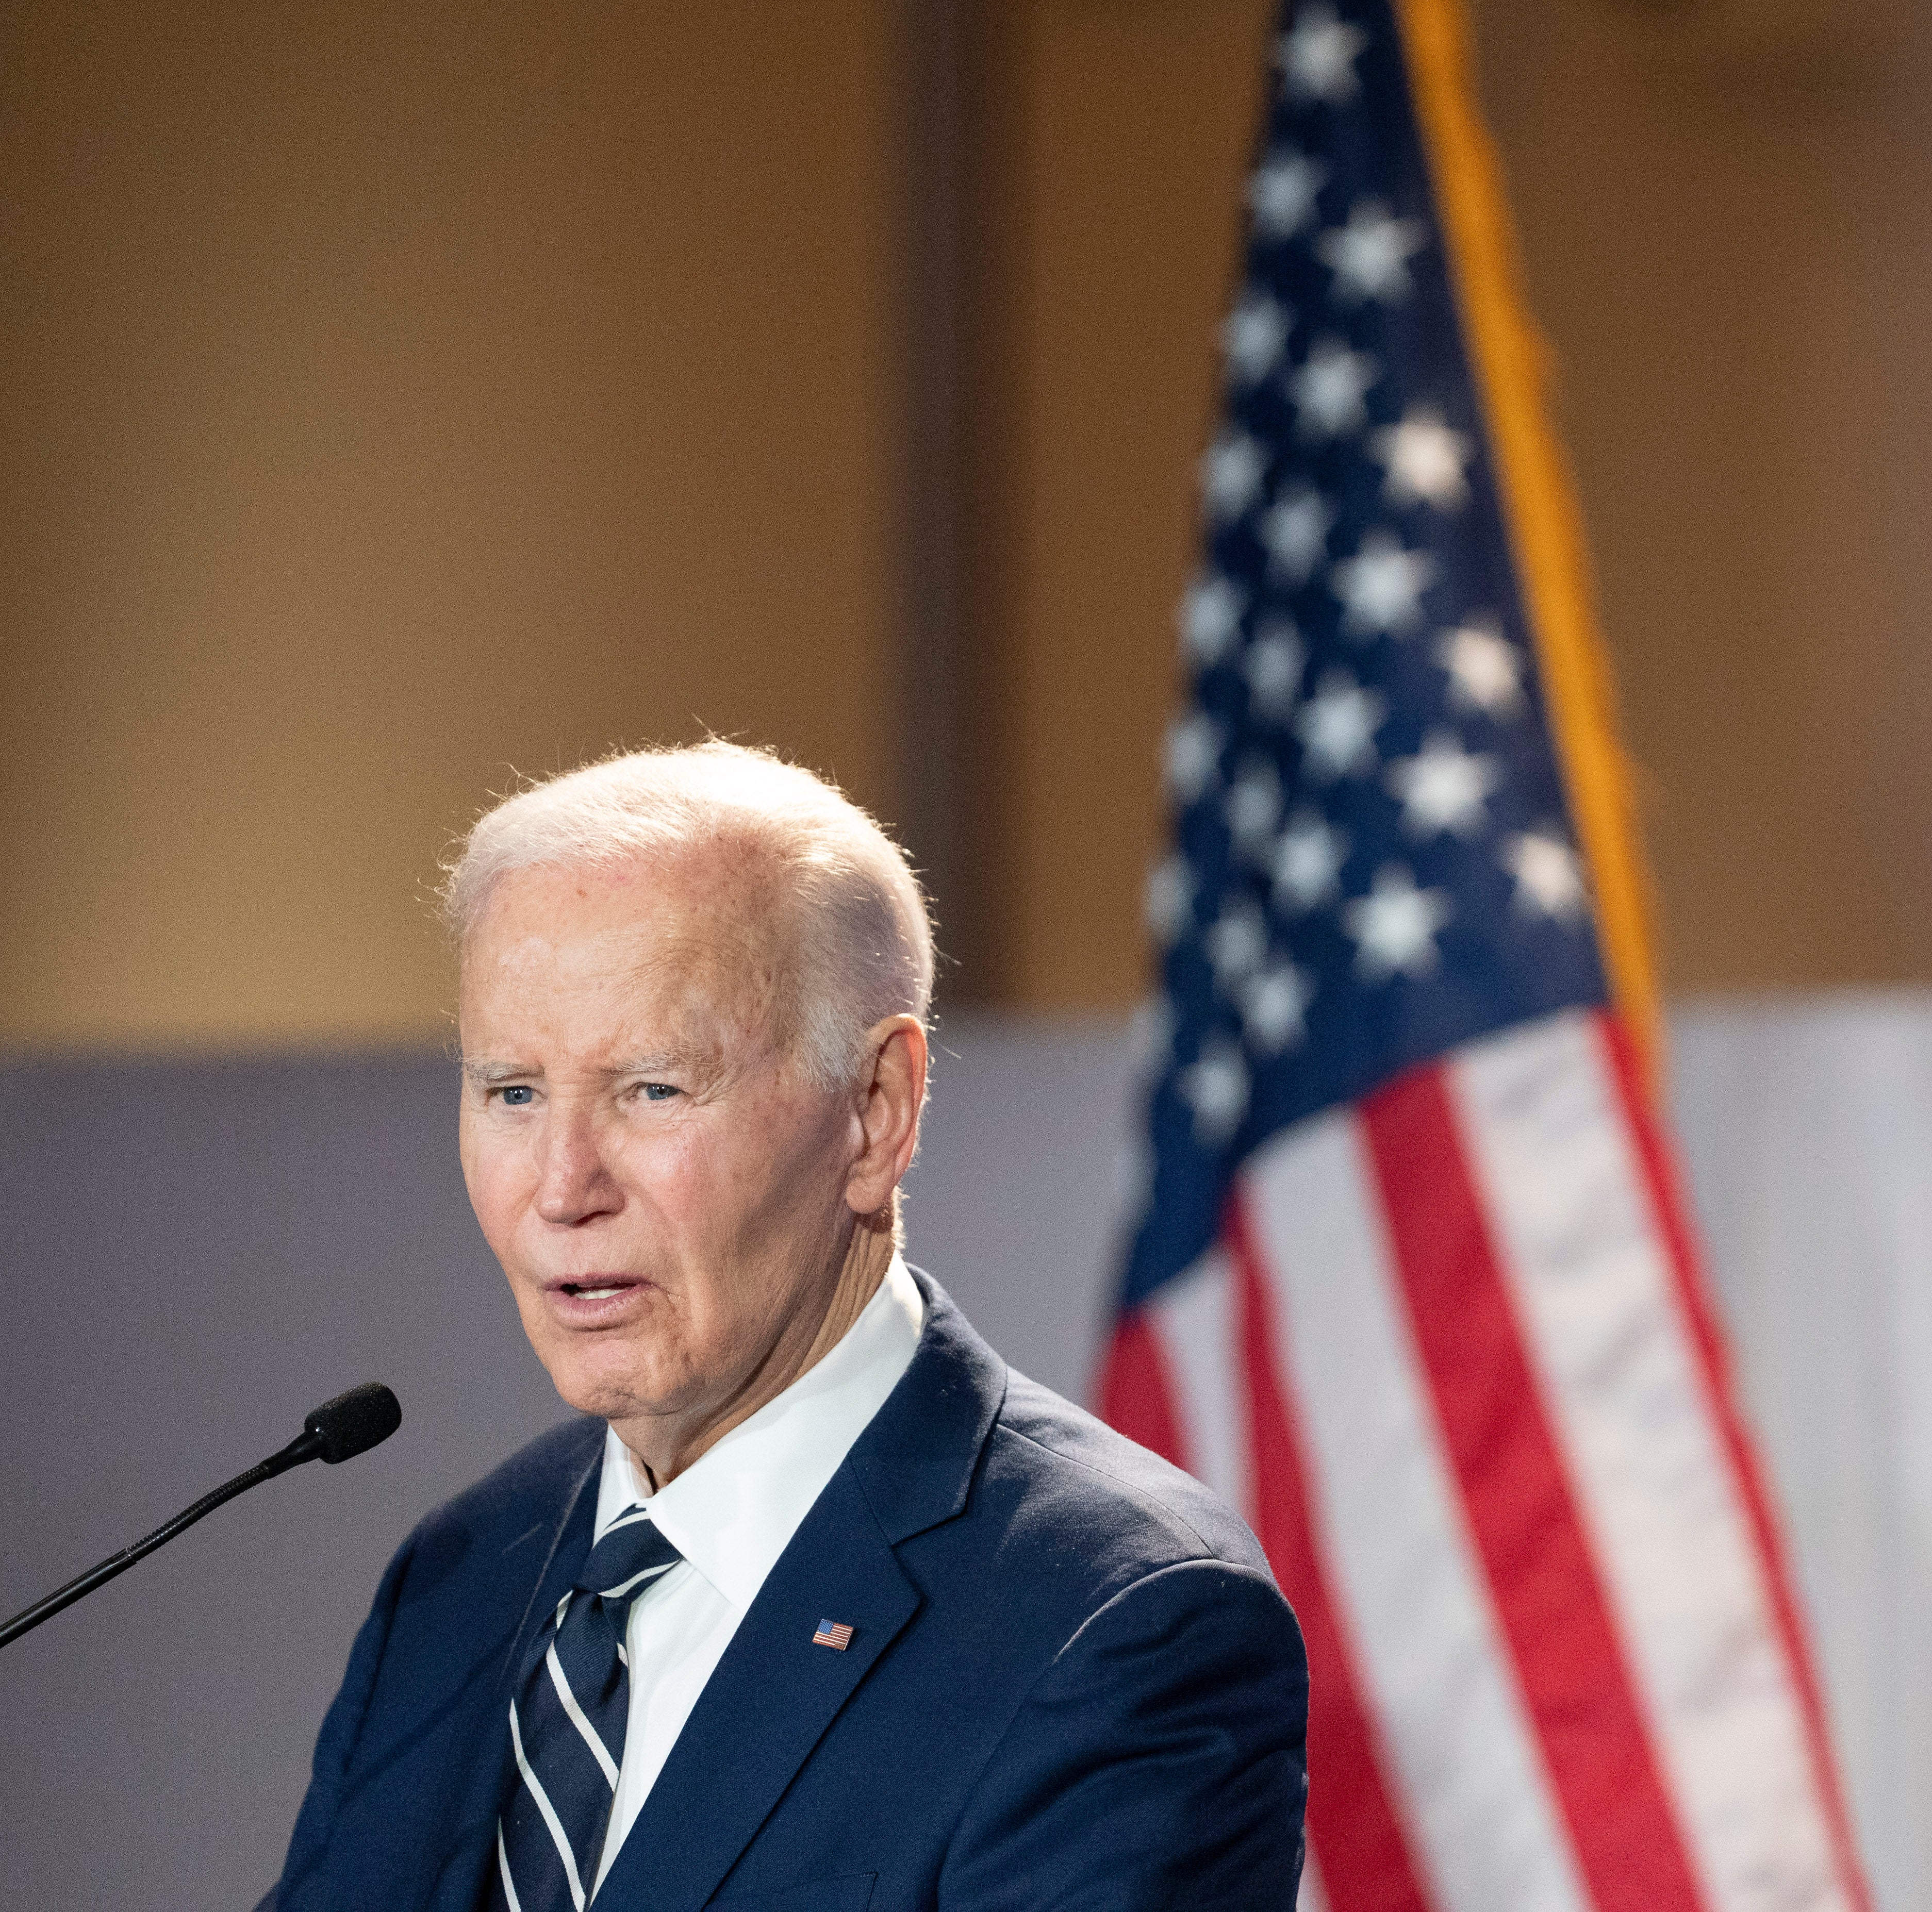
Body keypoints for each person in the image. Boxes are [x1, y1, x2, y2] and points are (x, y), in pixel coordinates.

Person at [262, 742, 1306, 1912]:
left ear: (875, 1113)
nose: (560, 1188)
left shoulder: (1117, 1622)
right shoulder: (460, 1578)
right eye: (512, 1091)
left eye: (652, 1088)